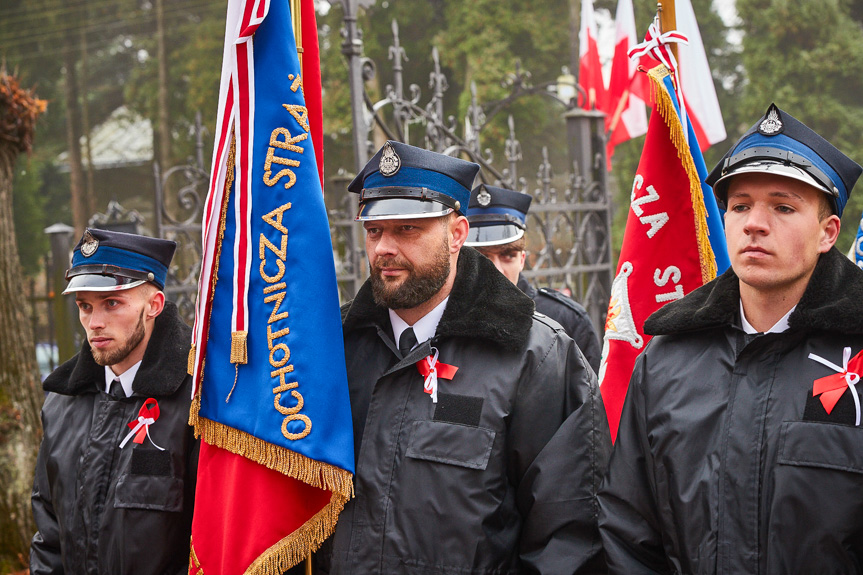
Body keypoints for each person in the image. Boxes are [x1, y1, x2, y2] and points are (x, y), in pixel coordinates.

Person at [318, 140, 610, 574]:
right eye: (375, 230)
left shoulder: (536, 355)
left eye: (408, 229)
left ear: (457, 235)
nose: (383, 248)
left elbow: (568, 538)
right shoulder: (331, 348)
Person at [598, 103, 863, 574]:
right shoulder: (665, 361)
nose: (754, 223)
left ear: (828, 233)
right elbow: (628, 532)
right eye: (739, 206)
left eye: (783, 207)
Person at [30, 228, 199, 574]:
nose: (95, 323)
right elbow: (49, 536)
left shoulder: (197, 402)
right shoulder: (62, 404)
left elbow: (211, 544)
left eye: (112, 303)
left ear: (154, 305)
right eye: (85, 306)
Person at [464, 183, 602, 373]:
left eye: (508, 256)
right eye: (482, 256)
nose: (496, 269)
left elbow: (590, 398)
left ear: (522, 259)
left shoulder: (567, 320)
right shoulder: (438, 317)